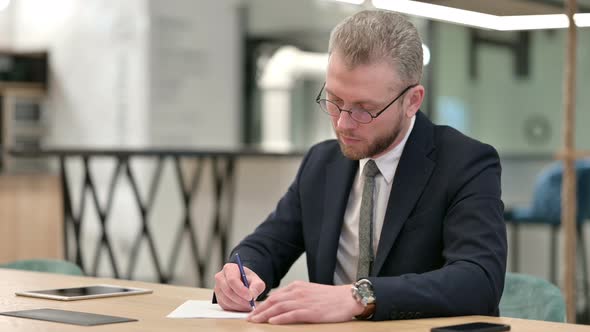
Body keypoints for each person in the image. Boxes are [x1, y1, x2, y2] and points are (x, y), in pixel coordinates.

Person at [213, 10, 506, 324]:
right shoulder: (321, 162)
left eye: (364, 110)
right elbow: (269, 244)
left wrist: (359, 296)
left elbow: (478, 281)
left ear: (412, 101)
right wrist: (241, 274)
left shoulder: (465, 163)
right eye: (334, 99)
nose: (342, 123)